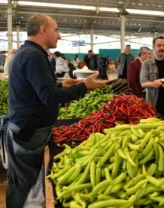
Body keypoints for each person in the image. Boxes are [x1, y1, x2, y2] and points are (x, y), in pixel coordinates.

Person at [3, 14, 107, 208]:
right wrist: (84, 86)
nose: (59, 36)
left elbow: (39, 90)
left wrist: (61, 85)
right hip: (28, 131)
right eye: (56, 30)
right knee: (28, 189)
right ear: (43, 30)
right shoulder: (34, 55)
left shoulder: (28, 53)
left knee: (22, 184)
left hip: (25, 128)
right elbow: (48, 97)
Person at [140, 37, 164, 118]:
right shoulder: (146, 64)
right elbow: (143, 83)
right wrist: (162, 84)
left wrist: (162, 80)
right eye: (159, 45)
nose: (162, 48)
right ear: (154, 47)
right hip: (153, 103)